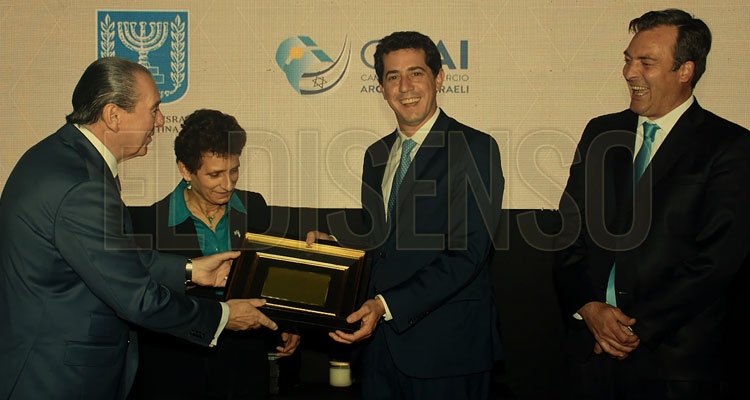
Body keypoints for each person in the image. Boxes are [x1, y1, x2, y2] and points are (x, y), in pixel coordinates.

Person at [0, 57, 278, 400]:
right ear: (114, 115)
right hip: (59, 377)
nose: (160, 121)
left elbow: (110, 258)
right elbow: (137, 299)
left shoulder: (64, 159)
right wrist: (222, 316)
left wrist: (190, 269)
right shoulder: (82, 183)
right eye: (154, 109)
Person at [555, 9, 750, 399]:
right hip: (590, 357)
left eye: (646, 62)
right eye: (628, 59)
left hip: (674, 365)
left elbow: (716, 260)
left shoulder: (729, 146)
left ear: (685, 71)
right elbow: (567, 231)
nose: (630, 72)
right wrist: (588, 308)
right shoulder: (601, 132)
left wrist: (632, 329)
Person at [308, 31, 504, 400]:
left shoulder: (474, 149)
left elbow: (468, 255)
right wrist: (340, 251)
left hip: (447, 351)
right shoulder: (376, 154)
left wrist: (385, 305)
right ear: (381, 88)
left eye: (416, 73)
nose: (405, 87)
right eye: (393, 77)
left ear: (439, 78)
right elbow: (382, 242)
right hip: (379, 349)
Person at [128, 109, 300, 399]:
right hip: (175, 370)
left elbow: (270, 277)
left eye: (234, 170)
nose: (228, 184)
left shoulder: (254, 207)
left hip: (245, 368)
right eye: (215, 174)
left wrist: (289, 323)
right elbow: (145, 305)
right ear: (185, 170)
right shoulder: (150, 224)